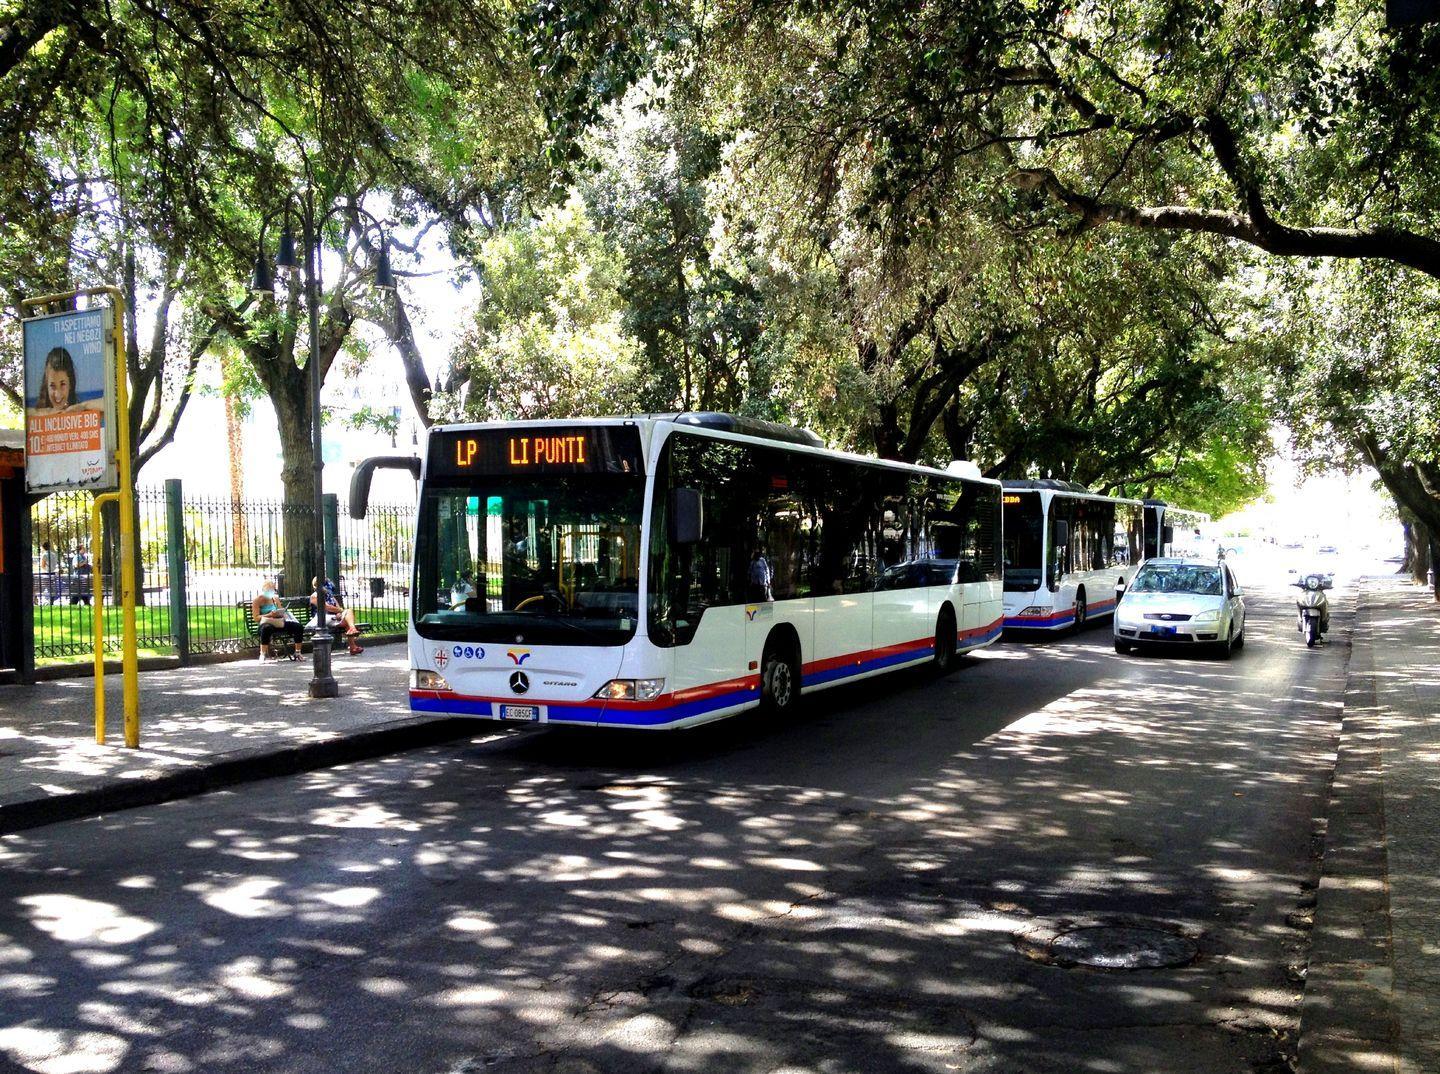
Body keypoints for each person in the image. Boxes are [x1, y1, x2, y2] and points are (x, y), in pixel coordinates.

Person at [310, 576, 363, 655]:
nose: (329, 586)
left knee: (349, 613)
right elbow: (327, 607)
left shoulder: (330, 596)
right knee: (347, 617)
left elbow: (337, 607)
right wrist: (341, 611)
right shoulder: (315, 596)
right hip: (322, 619)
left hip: (333, 618)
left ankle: (352, 631)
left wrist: (339, 613)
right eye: (326, 584)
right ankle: (353, 641)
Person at [253, 579, 302, 661]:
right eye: (268, 590)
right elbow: (256, 617)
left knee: (298, 627)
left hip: (278, 622)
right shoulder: (257, 600)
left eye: (272, 590)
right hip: (266, 623)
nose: (271, 592)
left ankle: (298, 652)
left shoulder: (275, 599)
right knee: (266, 629)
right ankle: (262, 654)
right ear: (263, 590)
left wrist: (280, 613)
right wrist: (269, 615)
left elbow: (280, 610)